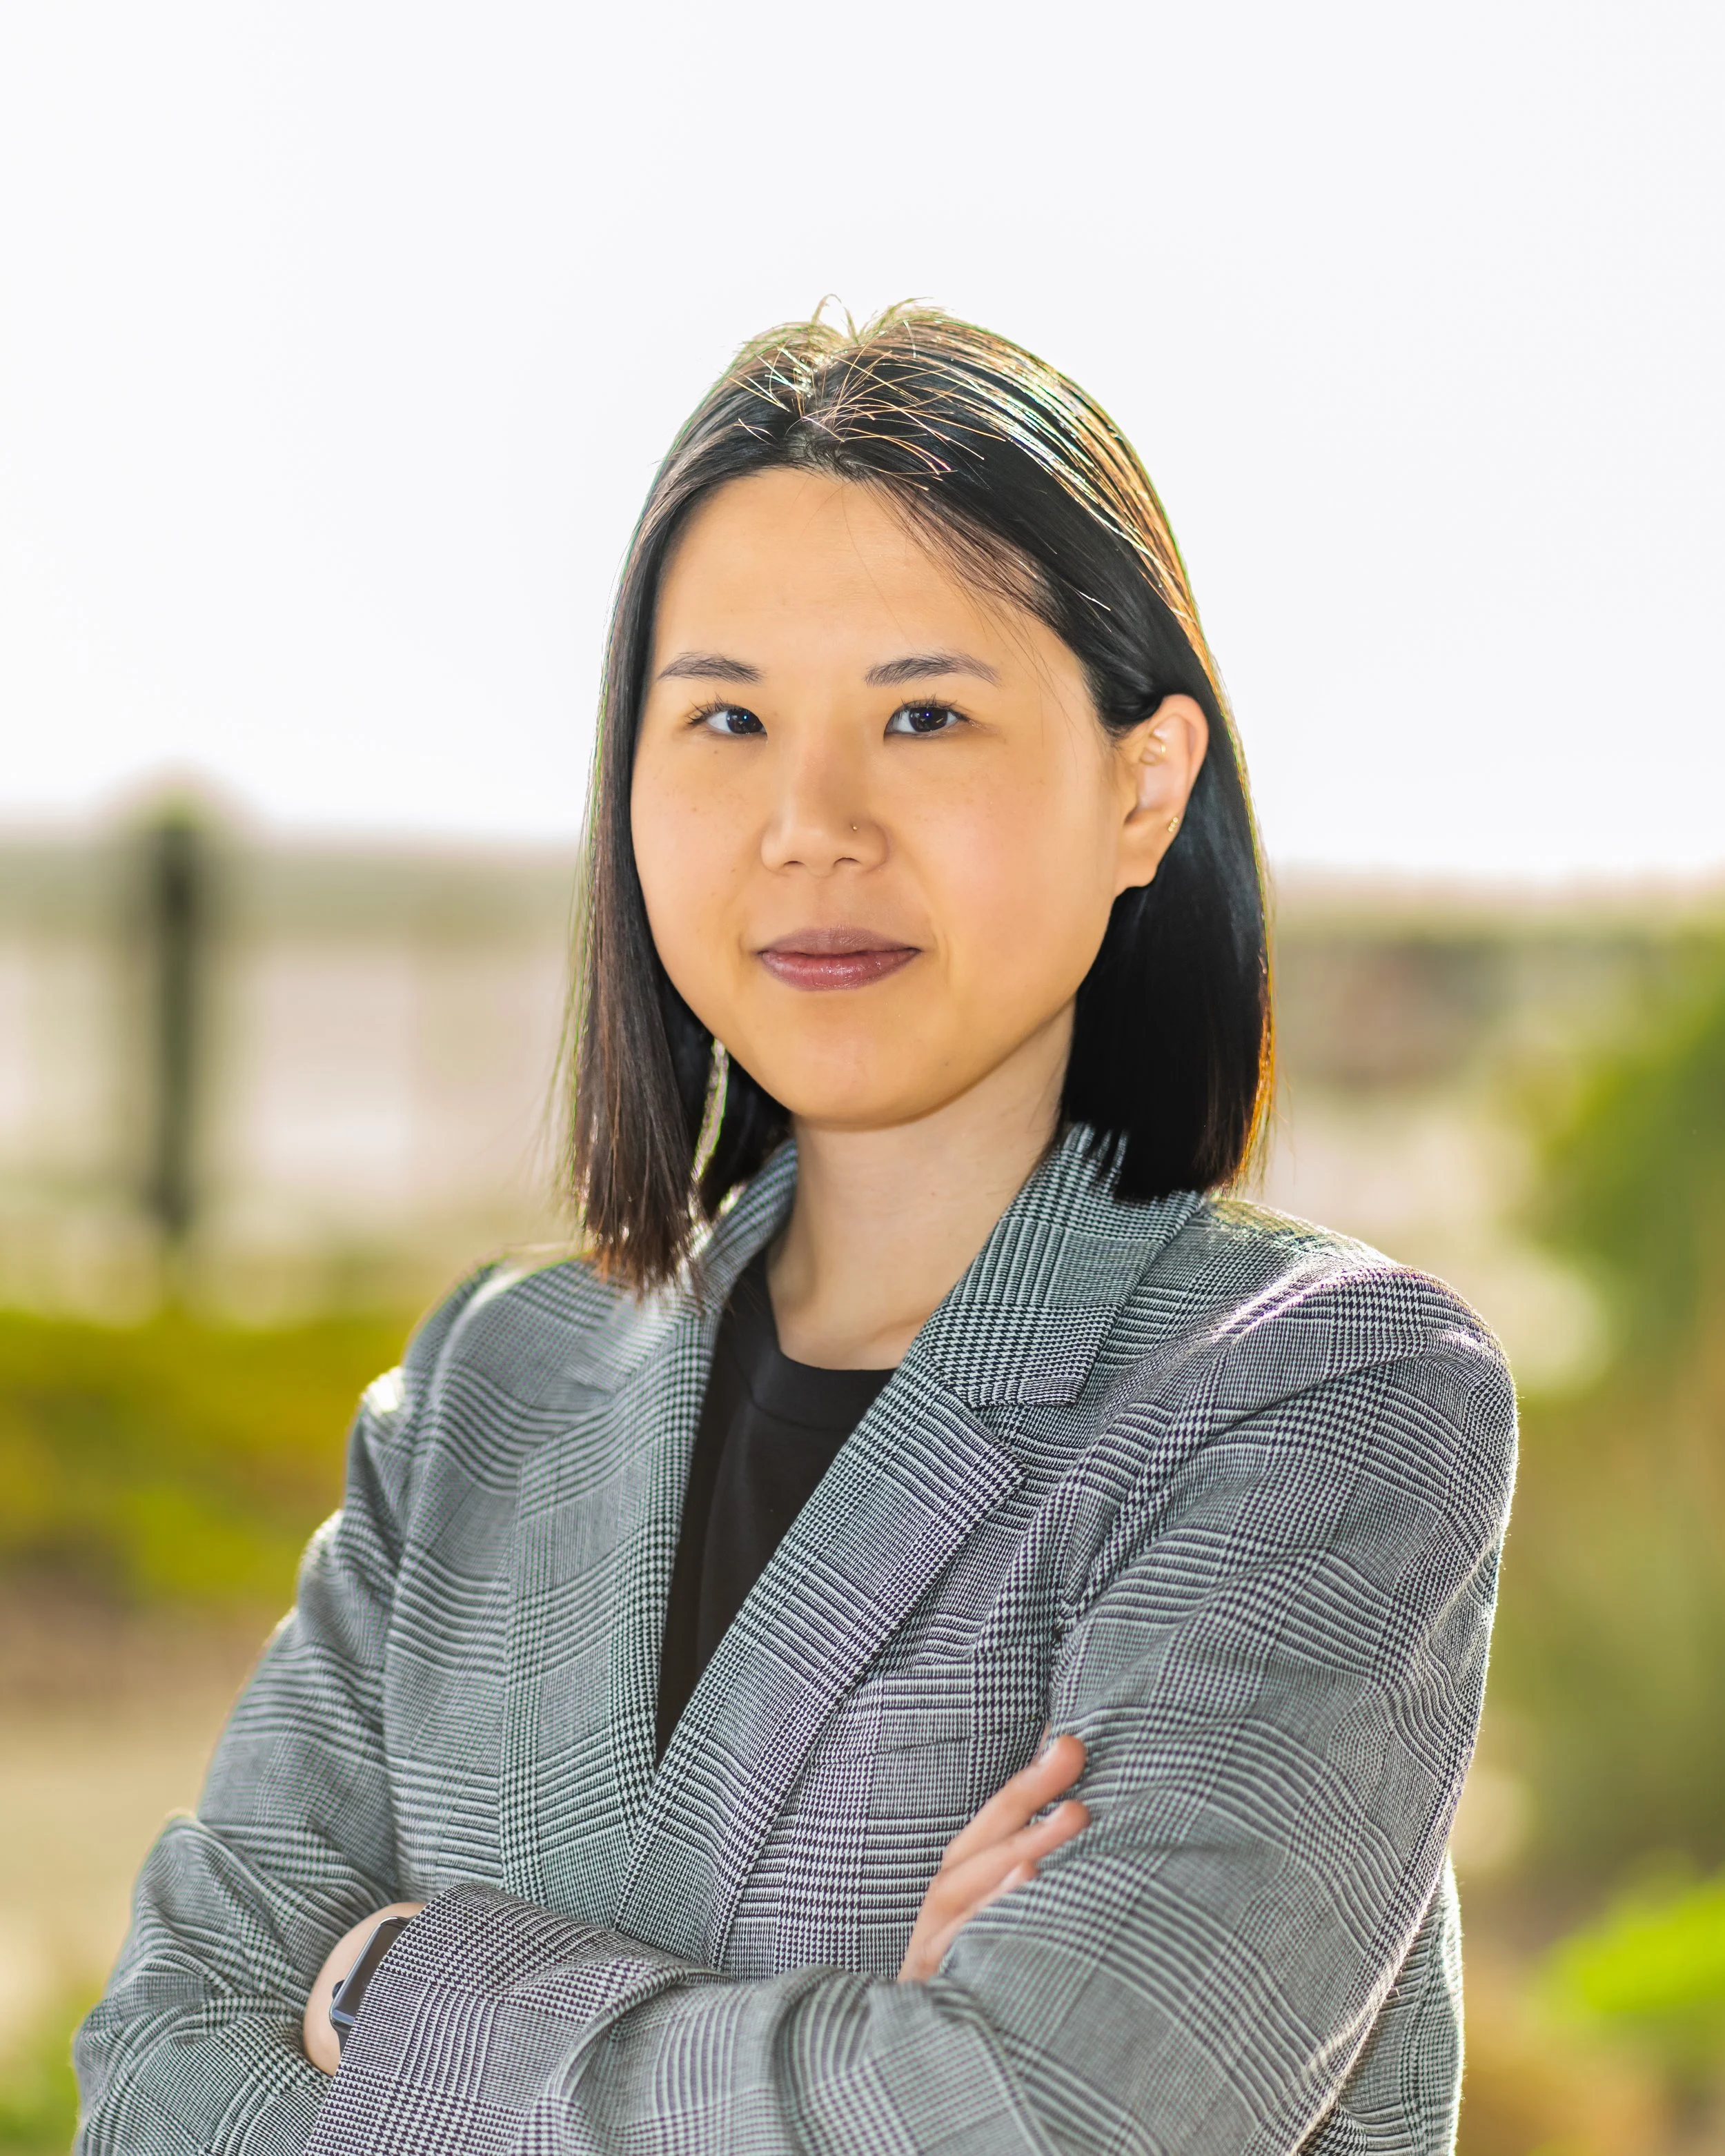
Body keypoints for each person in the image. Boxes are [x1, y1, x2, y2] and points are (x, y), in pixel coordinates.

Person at [75, 307, 1516, 2156]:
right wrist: (861, 2052)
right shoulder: (485, 1390)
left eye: (923, 713)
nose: (809, 824)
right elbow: (163, 2079)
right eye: (727, 719)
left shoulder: (1317, 1403)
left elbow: (1051, 2114)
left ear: (1141, 785)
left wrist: (381, 1992)